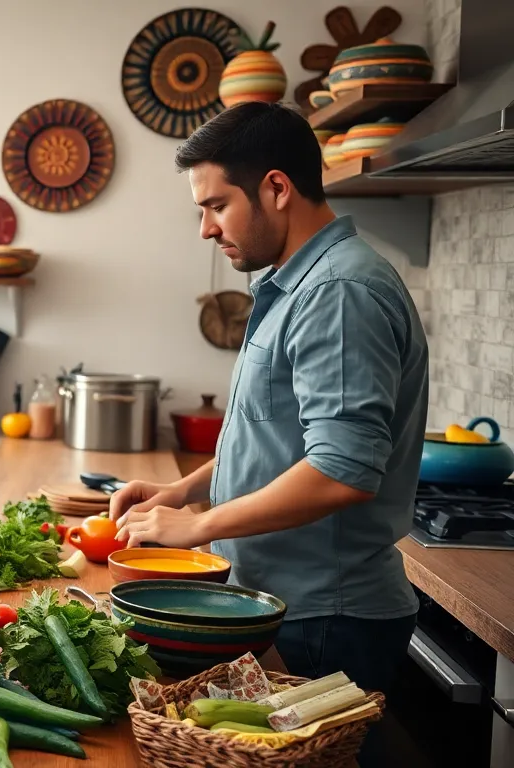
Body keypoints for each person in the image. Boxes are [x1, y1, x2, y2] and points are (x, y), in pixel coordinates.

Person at [111, 102, 426, 756]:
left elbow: (341, 470)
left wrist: (197, 526)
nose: (204, 229)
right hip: (284, 603)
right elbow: (274, 437)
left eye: (217, 206)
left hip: (324, 618)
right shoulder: (296, 284)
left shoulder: (339, 292)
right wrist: (182, 491)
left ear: (277, 188)